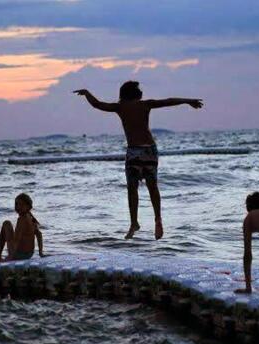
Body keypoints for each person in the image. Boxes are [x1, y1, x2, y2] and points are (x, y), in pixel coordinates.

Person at [74, 81, 203, 239]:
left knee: (132, 189)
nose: (141, 92)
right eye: (139, 90)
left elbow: (98, 104)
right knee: (152, 186)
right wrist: (187, 101)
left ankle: (135, 223)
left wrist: (87, 93)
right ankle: (157, 218)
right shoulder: (144, 105)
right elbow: (168, 101)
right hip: (149, 150)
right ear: (134, 93)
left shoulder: (120, 107)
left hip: (134, 151)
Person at [0, 193, 44, 261]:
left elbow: (16, 240)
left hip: (19, 255)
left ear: (28, 207)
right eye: (16, 204)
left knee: (6, 223)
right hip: (29, 254)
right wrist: (40, 252)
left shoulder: (22, 219)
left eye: (21, 205)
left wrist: (10, 257)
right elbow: (39, 234)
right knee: (8, 226)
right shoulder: (30, 217)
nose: (18, 207)